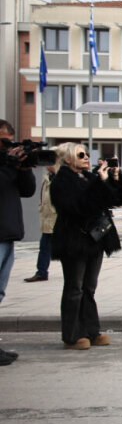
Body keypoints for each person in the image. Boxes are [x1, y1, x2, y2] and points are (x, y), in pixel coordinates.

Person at [50, 144, 122, 350]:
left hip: (94, 239)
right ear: (68, 159)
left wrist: (113, 178)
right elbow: (80, 206)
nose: (87, 157)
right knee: (74, 288)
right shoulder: (62, 180)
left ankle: (91, 330)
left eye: (87, 154)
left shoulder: (88, 177)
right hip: (75, 239)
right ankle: (72, 335)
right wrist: (100, 184)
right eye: (81, 154)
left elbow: (114, 199)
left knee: (89, 288)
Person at [0, 119, 36, 365]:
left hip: (8, 233)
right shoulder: (4, 165)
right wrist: (10, 164)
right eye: (3, 141)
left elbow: (28, 190)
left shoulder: (8, 164)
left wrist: (23, 168)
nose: (7, 146)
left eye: (8, 141)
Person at [24, 160, 57, 283]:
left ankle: (76, 271)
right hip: (47, 219)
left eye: (51, 162)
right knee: (44, 246)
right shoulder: (47, 178)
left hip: (58, 220)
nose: (48, 165)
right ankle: (42, 272)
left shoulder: (62, 179)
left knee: (67, 248)